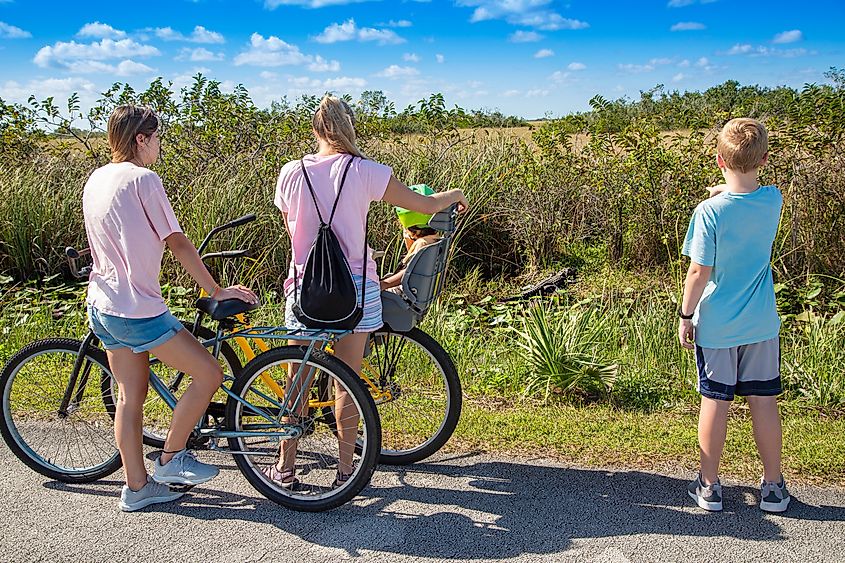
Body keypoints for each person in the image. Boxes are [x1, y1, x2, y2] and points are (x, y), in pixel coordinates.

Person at [270, 95, 467, 487]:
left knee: (298, 380)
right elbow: (424, 205)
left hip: (306, 290)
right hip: (358, 293)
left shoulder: (291, 173)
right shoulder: (366, 171)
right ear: (350, 127)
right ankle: (347, 471)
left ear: (315, 129)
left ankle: (285, 468)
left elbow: (293, 230)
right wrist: (456, 194)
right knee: (348, 381)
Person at [83, 105, 258, 512]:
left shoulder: (97, 179)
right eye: (156, 137)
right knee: (209, 372)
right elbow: (176, 241)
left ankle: (137, 489)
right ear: (141, 139)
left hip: (103, 305)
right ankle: (170, 458)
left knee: (129, 397)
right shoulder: (144, 179)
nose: (159, 144)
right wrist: (215, 289)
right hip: (138, 311)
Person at [678, 117, 789, 513]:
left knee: (715, 402)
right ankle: (773, 487)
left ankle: (709, 486)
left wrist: (685, 314)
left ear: (719, 159)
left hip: (718, 326)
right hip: (761, 324)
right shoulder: (773, 199)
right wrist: (727, 186)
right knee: (763, 403)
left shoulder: (709, 212)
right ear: (764, 158)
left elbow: (698, 271)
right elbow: (747, 192)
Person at [380, 183, 443, 293]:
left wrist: (383, 285)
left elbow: (408, 272)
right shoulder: (433, 240)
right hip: (416, 291)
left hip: (405, 293)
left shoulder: (422, 244)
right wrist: (408, 238)